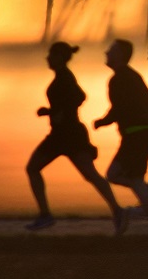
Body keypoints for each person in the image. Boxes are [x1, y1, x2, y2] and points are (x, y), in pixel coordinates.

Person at [25, 42, 127, 234]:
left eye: (51, 55)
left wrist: (56, 112)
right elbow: (77, 98)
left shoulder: (63, 78)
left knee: (35, 168)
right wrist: (52, 111)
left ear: (58, 58)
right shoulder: (64, 76)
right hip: (67, 133)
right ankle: (117, 210)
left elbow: (75, 100)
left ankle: (46, 215)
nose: (47, 58)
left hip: (67, 134)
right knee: (89, 175)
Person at [93, 39, 148, 236]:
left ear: (120, 55)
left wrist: (103, 121)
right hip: (137, 136)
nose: (106, 53)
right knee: (116, 175)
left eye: (110, 50)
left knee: (129, 178)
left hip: (136, 136)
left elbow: (119, 107)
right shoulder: (132, 76)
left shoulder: (119, 78)